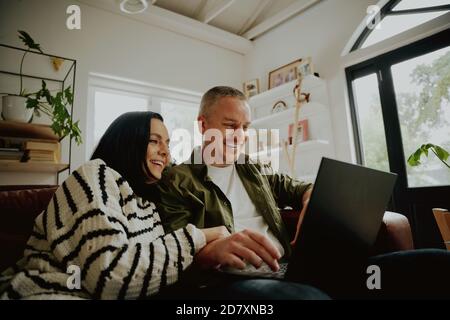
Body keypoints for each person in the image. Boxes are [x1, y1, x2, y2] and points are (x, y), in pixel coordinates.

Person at [156, 86, 450, 299]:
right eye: (230, 125)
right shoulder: (176, 180)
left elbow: (299, 188)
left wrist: (311, 198)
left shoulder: (254, 170)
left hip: (294, 268)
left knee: (434, 265)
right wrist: (209, 253)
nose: (240, 136)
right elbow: (174, 251)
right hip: (232, 282)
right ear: (203, 125)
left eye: (245, 127)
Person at [0, 111, 227, 300]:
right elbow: (109, 275)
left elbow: (147, 272)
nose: (166, 152)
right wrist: (199, 237)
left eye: (167, 144)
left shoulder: (147, 207)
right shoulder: (95, 175)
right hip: (50, 290)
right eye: (154, 140)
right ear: (128, 141)